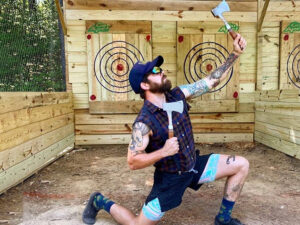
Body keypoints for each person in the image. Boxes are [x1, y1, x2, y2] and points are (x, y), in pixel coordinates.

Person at [82, 33, 249, 225]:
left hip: (193, 166)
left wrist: (235, 53)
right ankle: (99, 200)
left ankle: (223, 219)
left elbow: (211, 81)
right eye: (155, 71)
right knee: (137, 224)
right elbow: (132, 162)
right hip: (170, 179)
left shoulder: (177, 95)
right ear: (144, 84)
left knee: (242, 164)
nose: (161, 71)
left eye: (159, 68)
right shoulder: (144, 123)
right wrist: (163, 152)